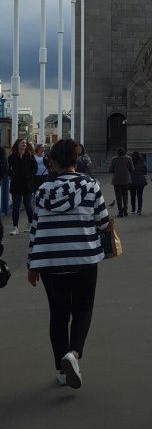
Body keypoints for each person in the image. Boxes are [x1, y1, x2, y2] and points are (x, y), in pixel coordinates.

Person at [27, 138, 110, 389]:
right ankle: (73, 354)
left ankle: (61, 372)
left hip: (50, 261)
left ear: (52, 162)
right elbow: (103, 222)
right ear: (76, 159)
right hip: (84, 257)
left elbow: (35, 228)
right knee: (83, 309)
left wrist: (32, 263)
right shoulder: (91, 185)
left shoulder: (43, 190)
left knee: (58, 314)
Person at [7, 138, 37, 235]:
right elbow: (8, 168)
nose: (24, 144)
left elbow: (35, 168)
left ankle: (30, 223)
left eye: (25, 143)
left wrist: (30, 176)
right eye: (22, 143)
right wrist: (12, 175)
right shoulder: (12, 157)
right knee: (15, 207)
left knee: (27, 205)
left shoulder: (30, 156)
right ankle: (15, 227)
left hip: (27, 184)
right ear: (18, 144)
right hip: (16, 184)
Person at [109, 147, 134, 218]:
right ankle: (125, 210)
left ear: (117, 153)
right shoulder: (129, 159)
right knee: (125, 195)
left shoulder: (114, 159)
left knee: (118, 196)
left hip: (116, 180)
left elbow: (110, 170)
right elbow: (132, 169)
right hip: (126, 180)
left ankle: (120, 212)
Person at [129, 150, 148, 214]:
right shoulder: (143, 163)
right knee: (140, 196)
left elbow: (129, 172)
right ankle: (139, 209)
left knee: (132, 196)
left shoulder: (130, 163)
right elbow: (145, 172)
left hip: (132, 181)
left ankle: (133, 209)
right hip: (141, 181)